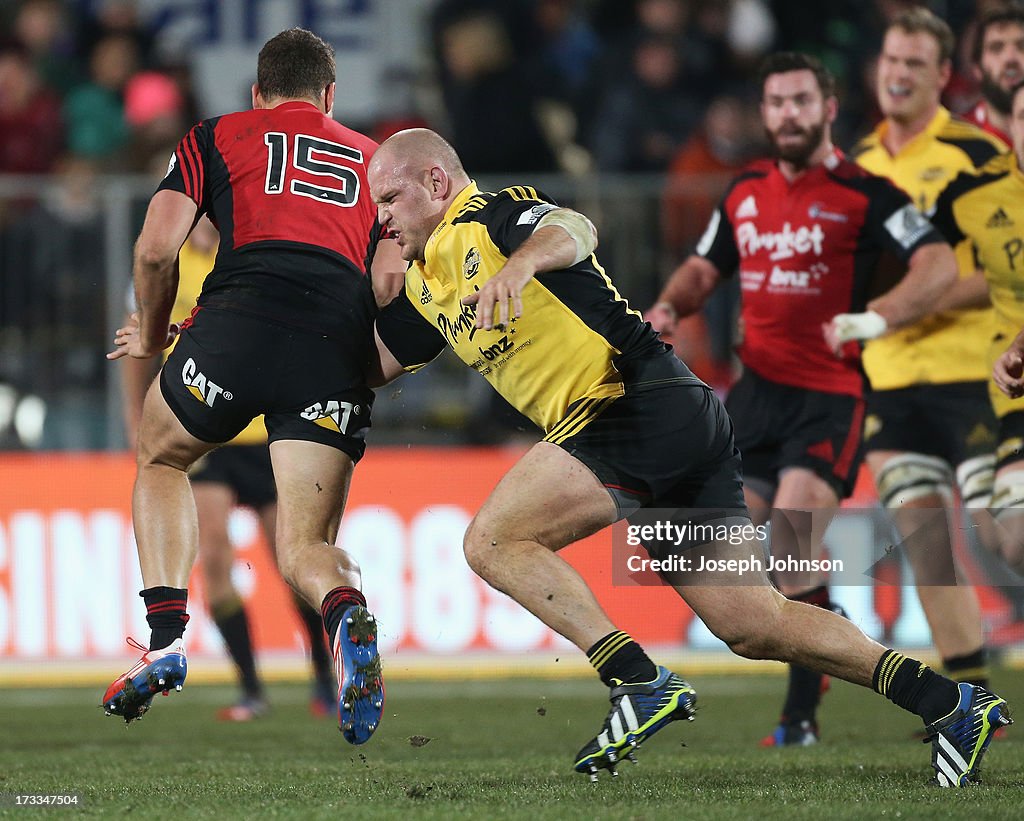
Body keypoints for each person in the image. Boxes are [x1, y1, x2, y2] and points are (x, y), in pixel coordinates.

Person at [365, 127, 1011, 785]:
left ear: (437, 183)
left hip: (635, 402)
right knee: (755, 623)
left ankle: (635, 678)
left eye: (390, 197)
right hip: (670, 422)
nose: (382, 219)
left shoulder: (494, 219)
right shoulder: (424, 283)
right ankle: (950, 703)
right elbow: (375, 366)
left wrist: (523, 263)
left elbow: (576, 226)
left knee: (493, 540)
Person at [646, 52, 959, 747]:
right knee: (715, 551)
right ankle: (825, 625)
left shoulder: (867, 192)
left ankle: (799, 716)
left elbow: (938, 262)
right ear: (765, 113)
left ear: (828, 106)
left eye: (800, 101)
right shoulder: (745, 191)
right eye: (777, 103)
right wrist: (669, 305)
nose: (788, 114)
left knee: (790, 551)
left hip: (829, 396)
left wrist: (880, 317)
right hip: (753, 397)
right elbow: (705, 265)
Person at [102, 28, 405, 746]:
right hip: (332, 341)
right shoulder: (371, 158)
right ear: (331, 96)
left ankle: (168, 636)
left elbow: (154, 248)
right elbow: (392, 281)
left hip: (237, 328)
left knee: (161, 454)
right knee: (303, 543)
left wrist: (150, 333)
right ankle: (344, 603)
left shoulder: (216, 136)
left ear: (256, 93)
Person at [119, 216, 337, 722]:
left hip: (263, 430)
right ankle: (251, 688)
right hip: (204, 431)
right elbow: (141, 337)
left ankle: (325, 679)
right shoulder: (170, 262)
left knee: (292, 561)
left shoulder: (247, 251)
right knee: (214, 557)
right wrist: (138, 418)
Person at [849, 7, 1007, 695]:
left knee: (1002, 536)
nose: (899, 74)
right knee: (925, 543)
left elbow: (1008, 270)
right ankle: (973, 694)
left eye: (915, 63)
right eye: (892, 60)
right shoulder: (856, 165)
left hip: (974, 372)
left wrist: (916, 298)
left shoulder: (979, 156)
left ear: (944, 75)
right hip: (890, 380)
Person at [937, 79, 1024, 576]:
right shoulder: (974, 193)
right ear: (1010, 126)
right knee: (1005, 539)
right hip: (1001, 385)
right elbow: (926, 263)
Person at [964, 2, 1024, 145]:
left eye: (1022, 46)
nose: (1010, 58)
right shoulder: (960, 141)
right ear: (977, 68)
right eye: (996, 48)